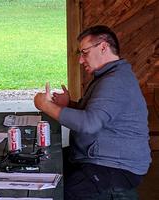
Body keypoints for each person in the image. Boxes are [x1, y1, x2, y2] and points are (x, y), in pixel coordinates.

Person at [34, 25, 151, 199]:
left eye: (85, 52)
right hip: (97, 157)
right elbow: (96, 114)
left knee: (64, 193)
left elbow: (89, 123)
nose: (81, 60)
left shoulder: (115, 81)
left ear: (103, 47)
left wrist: (46, 106)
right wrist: (68, 105)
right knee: (46, 162)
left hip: (115, 166)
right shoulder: (110, 75)